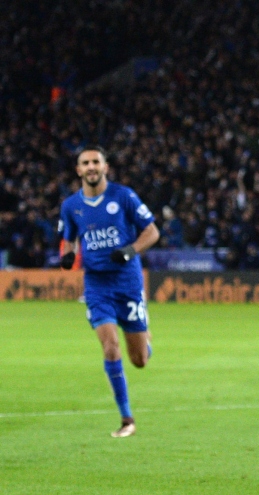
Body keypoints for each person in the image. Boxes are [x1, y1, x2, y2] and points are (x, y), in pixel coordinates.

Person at [59, 146, 160, 437]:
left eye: (96, 162)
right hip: (97, 285)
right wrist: (68, 255)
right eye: (85, 163)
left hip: (128, 283)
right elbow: (69, 239)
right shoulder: (71, 206)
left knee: (139, 360)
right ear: (78, 170)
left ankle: (145, 338)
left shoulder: (123, 196)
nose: (91, 167)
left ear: (105, 167)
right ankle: (127, 419)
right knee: (110, 345)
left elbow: (152, 232)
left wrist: (130, 251)